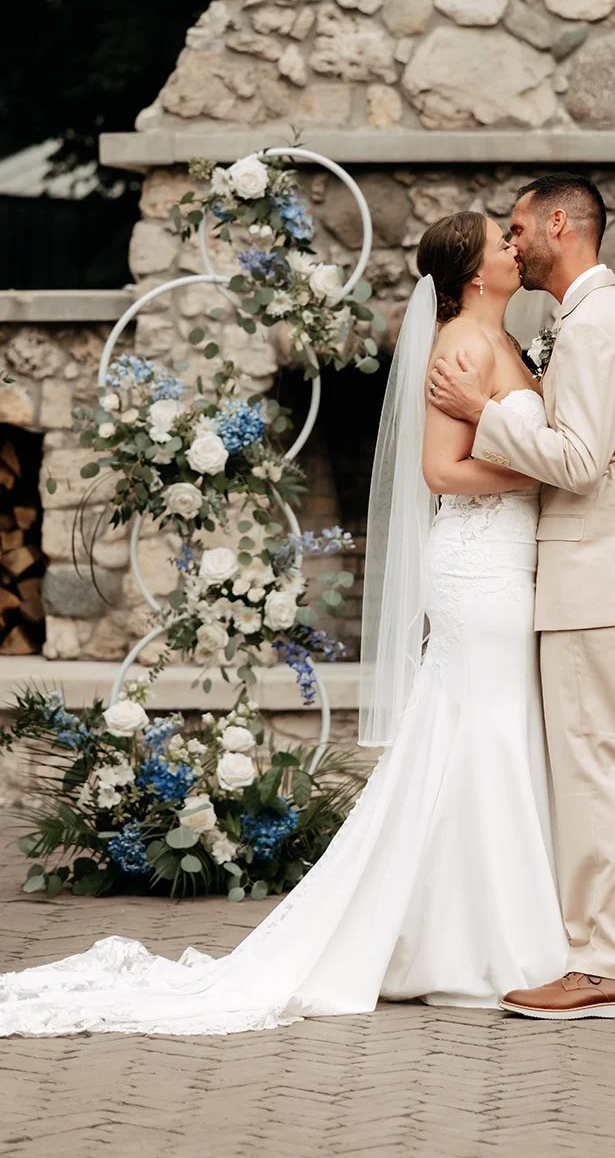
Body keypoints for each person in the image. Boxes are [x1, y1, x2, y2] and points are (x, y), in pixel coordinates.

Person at [0, 211, 570, 1035]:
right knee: (483, 728)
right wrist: (537, 477)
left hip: (503, 563)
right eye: (502, 242)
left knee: (486, 730)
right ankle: (490, 947)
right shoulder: (462, 348)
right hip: (477, 566)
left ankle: (460, 934)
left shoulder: (506, 341)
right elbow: (440, 469)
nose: (517, 248)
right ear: (476, 274)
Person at [430, 174, 615, 1021]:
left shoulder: (598, 327)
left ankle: (605, 962)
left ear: (559, 224)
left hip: (595, 576)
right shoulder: (609, 319)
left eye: (520, 226)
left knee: (596, 770)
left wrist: (485, 406)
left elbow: (573, 460)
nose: (513, 240)